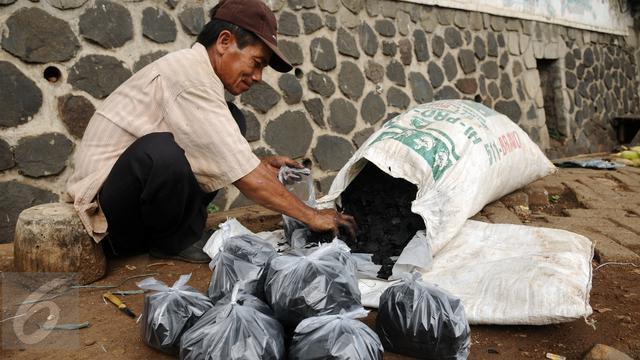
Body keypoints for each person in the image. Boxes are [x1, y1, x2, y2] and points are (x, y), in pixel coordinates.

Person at [65, 0, 356, 263]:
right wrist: (312, 216)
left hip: (132, 202)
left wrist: (258, 164)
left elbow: (219, 148)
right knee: (160, 153)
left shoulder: (201, 76)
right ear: (224, 42)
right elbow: (243, 176)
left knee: (231, 119)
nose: (257, 77)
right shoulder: (190, 78)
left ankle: (174, 236)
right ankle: (171, 242)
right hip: (107, 216)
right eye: (257, 63)